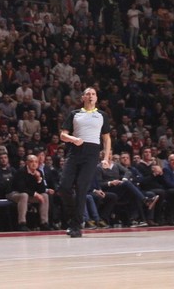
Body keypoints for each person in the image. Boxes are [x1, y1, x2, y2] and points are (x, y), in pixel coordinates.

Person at [58, 87, 111, 238]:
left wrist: (106, 158)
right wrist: (74, 139)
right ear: (83, 98)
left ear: (96, 98)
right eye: (88, 94)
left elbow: (106, 138)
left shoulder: (102, 115)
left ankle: (76, 226)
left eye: (93, 94)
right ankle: (75, 215)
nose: (91, 96)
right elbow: (63, 135)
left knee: (82, 188)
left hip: (92, 154)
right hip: (75, 152)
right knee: (64, 187)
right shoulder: (75, 114)